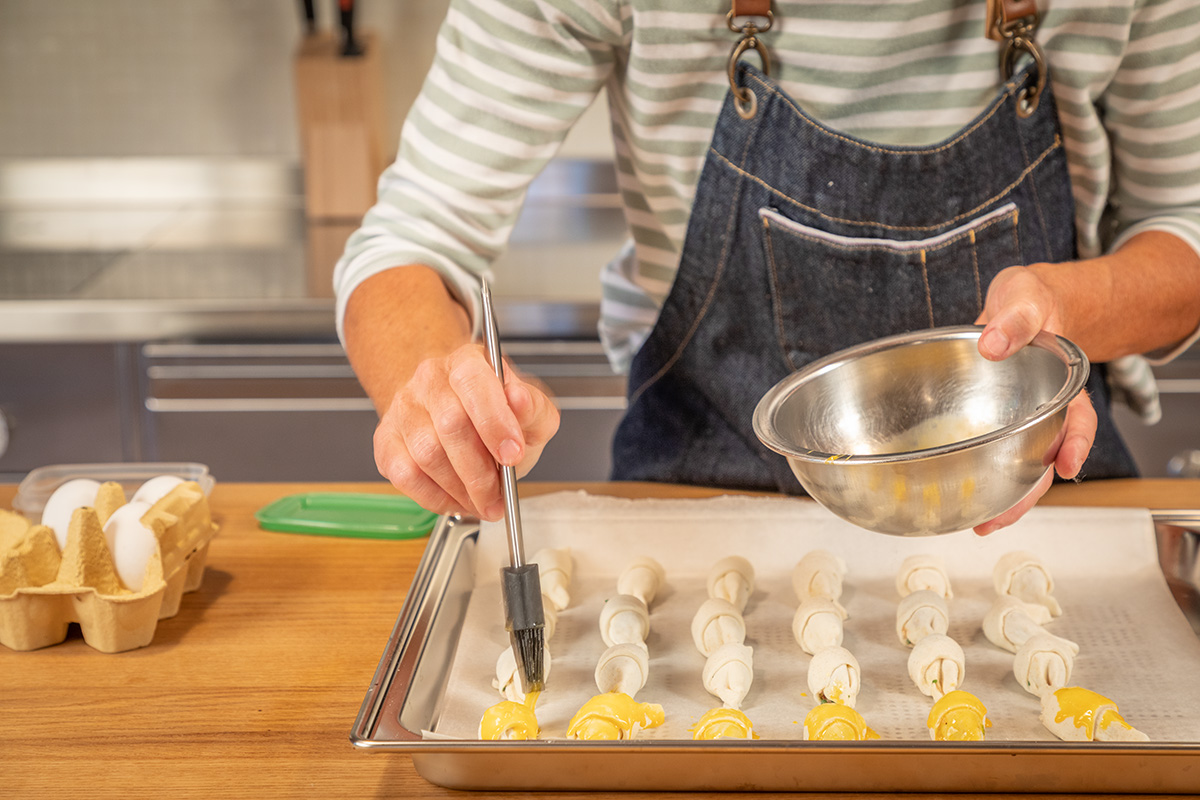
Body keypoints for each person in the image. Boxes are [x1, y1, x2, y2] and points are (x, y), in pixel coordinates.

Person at [333, 0, 1200, 534]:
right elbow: (412, 239)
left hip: (1040, 503)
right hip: (701, 512)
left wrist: (1069, 305)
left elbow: (1186, 230)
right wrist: (439, 391)